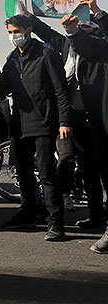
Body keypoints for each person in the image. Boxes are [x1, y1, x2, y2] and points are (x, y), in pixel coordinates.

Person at [18, 0, 108, 227]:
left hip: (96, 117)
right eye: (78, 27)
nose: (80, 30)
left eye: (85, 27)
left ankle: (101, 218)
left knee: (97, 168)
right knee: (75, 164)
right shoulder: (67, 45)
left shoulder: (99, 49)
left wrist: (97, 11)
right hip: (71, 116)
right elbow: (47, 33)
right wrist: (30, 18)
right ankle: (83, 210)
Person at [0, 14, 71, 241]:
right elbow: (4, 86)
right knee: (23, 172)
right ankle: (27, 213)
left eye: (17, 32)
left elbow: (62, 91)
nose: (14, 36)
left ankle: (55, 222)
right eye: (10, 32)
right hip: (19, 124)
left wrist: (64, 122)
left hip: (43, 122)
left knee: (46, 173)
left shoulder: (47, 55)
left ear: (29, 30)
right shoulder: (12, 59)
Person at [61, 13, 108, 253]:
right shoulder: (83, 51)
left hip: (99, 122)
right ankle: (98, 217)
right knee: (90, 170)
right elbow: (86, 46)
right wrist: (72, 32)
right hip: (86, 121)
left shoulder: (101, 46)